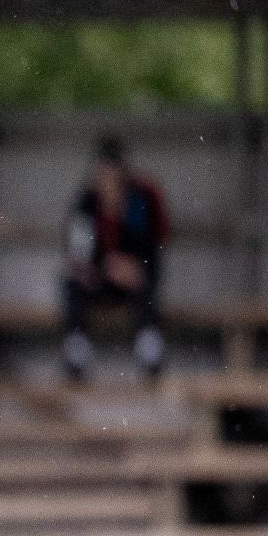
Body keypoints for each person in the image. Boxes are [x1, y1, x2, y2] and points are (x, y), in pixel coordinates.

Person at [61, 137, 170, 381]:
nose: (107, 181)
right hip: (99, 278)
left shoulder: (138, 201)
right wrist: (91, 270)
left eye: (112, 174)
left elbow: (150, 245)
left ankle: (149, 351)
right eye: (102, 174)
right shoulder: (86, 203)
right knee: (71, 285)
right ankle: (76, 355)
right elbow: (76, 252)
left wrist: (130, 267)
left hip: (133, 278)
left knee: (146, 281)